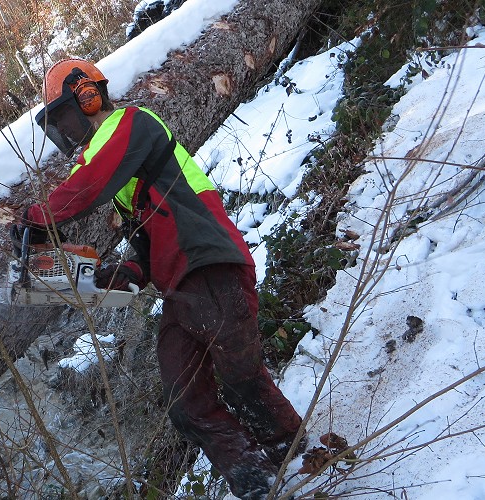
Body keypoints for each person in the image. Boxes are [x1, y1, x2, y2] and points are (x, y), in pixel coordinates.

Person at [16, 58, 305, 499]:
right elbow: (147, 252)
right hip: (180, 289)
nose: (67, 131)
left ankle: (301, 459)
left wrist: (38, 218)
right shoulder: (125, 177)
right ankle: (257, 480)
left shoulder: (134, 124)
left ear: (87, 96)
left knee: (242, 379)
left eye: (64, 117)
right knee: (185, 403)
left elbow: (88, 183)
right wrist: (115, 276)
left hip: (209, 263)